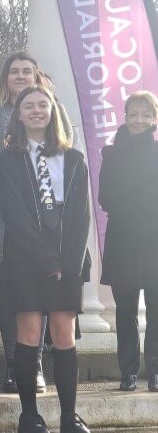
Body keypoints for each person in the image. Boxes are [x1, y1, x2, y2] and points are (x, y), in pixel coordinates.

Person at [0, 86, 90, 433]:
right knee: (30, 333)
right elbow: (16, 215)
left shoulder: (74, 159)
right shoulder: (8, 159)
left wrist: (69, 263)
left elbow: (82, 217)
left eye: (43, 105)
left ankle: (69, 416)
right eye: (29, 106)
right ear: (18, 114)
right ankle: (30, 417)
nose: (37, 111)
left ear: (53, 111)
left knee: (64, 335)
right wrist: (43, 257)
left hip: (66, 258)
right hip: (26, 258)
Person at [0, 52, 48, 393]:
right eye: (14, 71)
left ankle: (35, 367)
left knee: (36, 292)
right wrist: (4, 188)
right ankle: (13, 367)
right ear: (5, 78)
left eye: (26, 71)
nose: (20, 76)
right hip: (1, 215)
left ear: (36, 76)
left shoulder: (48, 112)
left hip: (38, 219)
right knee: (9, 292)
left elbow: (60, 155)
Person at [99, 90, 158, 393]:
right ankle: (128, 371)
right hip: (123, 239)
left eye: (146, 114)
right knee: (126, 311)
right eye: (134, 114)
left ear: (154, 119)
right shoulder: (111, 153)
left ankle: (156, 370)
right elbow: (104, 197)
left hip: (154, 241)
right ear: (125, 116)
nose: (139, 120)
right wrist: (134, 211)